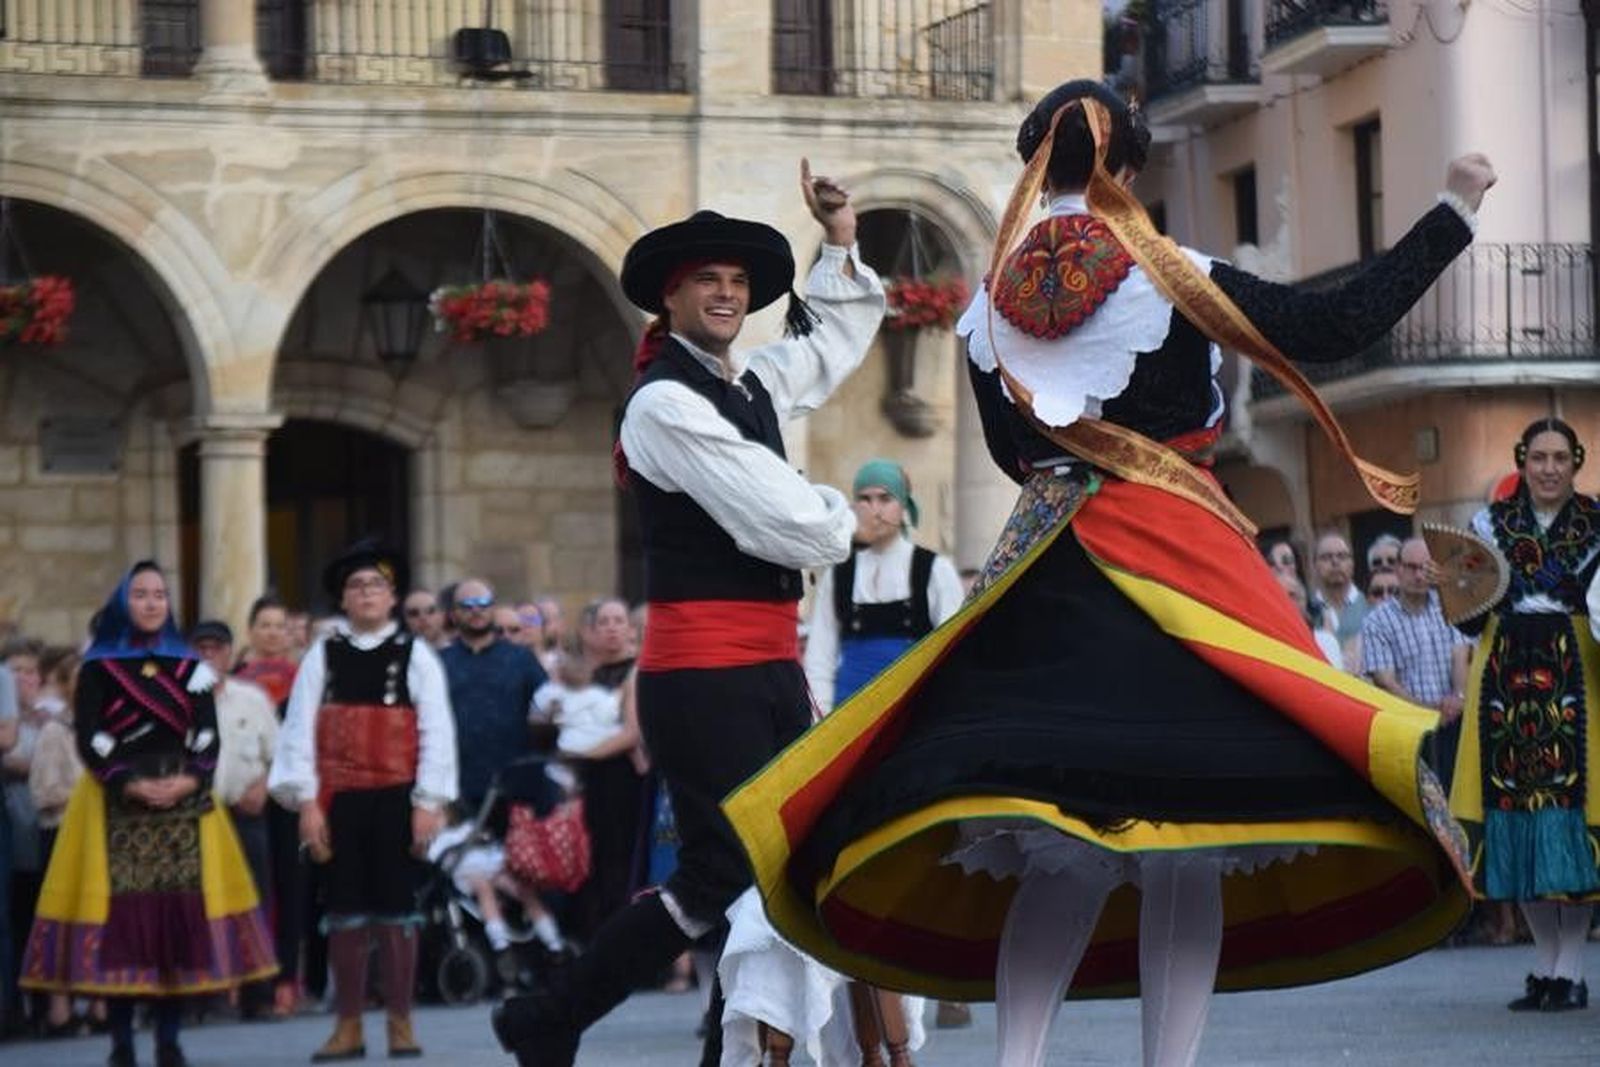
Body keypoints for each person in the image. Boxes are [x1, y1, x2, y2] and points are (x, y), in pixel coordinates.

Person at [722, 82, 1490, 1067]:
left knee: (1061, 838)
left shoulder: (984, 307)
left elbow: (1010, 449)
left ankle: (1019, 1060)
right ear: (1129, 168)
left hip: (1047, 572)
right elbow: (1335, 323)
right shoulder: (1171, 272)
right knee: (1195, 845)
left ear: (1033, 163)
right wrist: (1453, 208)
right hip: (1182, 561)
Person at [493, 159, 885, 1066]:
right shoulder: (666, 403)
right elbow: (784, 519)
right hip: (703, 674)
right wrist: (841, 517)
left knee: (777, 862)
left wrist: (838, 242)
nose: (725, 293)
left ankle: (625, 1027)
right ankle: (572, 1017)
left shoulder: (744, 384)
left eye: (737, 282)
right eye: (707, 280)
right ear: (670, 296)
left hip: (763, 670)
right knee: (726, 869)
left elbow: (822, 352)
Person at [20, 562, 274, 1067]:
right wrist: (128, 782)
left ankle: (169, 1037)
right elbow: (90, 734)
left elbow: (207, 735)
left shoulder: (190, 668)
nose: (153, 603)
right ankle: (121, 1040)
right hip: (115, 807)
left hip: (182, 812)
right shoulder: (99, 666)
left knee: (173, 922)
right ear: (124, 602)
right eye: (141, 594)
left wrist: (189, 778)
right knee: (123, 925)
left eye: (160, 594)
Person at [269, 540, 457, 1061]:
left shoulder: (416, 656)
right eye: (357, 586)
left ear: (392, 597)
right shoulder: (321, 656)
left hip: (399, 799)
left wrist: (430, 802)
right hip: (340, 800)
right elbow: (298, 732)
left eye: (376, 585)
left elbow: (437, 730)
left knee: (398, 912)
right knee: (346, 913)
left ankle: (400, 1023)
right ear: (343, 600)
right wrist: (307, 803)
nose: (367, 593)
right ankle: (348, 1025)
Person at [1449, 417, 1600, 1013]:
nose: (1549, 468)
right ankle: (1545, 966)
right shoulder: (1488, 525)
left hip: (1575, 673)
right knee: (1515, 816)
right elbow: (1465, 616)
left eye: (1560, 457)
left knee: (1569, 813)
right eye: (1539, 457)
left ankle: (1572, 970)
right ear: (1522, 461)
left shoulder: (1595, 523)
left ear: (1576, 462)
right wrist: (1451, 586)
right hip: (1504, 676)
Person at [803, 459, 965, 711]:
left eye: (885, 498)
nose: (875, 509)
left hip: (911, 712)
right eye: (865, 499)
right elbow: (820, 656)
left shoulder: (934, 569)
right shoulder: (838, 574)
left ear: (903, 506)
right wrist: (821, 714)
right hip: (848, 716)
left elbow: (953, 650)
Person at [192, 619, 282, 1020]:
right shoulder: (178, 699)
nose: (209, 655)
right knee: (203, 905)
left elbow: (276, 752)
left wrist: (261, 786)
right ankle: (206, 995)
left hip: (245, 813)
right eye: (202, 648)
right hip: (199, 815)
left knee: (254, 901)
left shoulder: (252, 698)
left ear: (230, 653)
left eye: (217, 648)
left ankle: (257, 992)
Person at [233, 595, 305, 1019]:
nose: (273, 632)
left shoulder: (303, 679)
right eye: (265, 624)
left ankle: (286, 981)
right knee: (255, 890)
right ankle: (250, 977)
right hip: (251, 797)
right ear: (252, 631)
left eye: (280, 625)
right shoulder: (238, 682)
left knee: (292, 889)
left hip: (291, 796)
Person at [1360, 539, 1470, 788]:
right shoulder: (1377, 621)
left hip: (1451, 723)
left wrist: (1459, 696)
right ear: (1397, 569)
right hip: (1409, 731)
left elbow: (1460, 655)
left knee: (1456, 800)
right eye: (1411, 567)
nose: (1419, 575)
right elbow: (1386, 682)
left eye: (1425, 567)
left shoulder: (1448, 605)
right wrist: (1428, 712)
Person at [439, 578, 548, 814]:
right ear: (454, 614)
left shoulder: (521, 659)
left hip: (513, 782)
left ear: (493, 608)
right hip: (455, 785)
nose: (476, 610)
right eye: (467, 605)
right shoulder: (439, 661)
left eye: (483, 602)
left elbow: (548, 706)